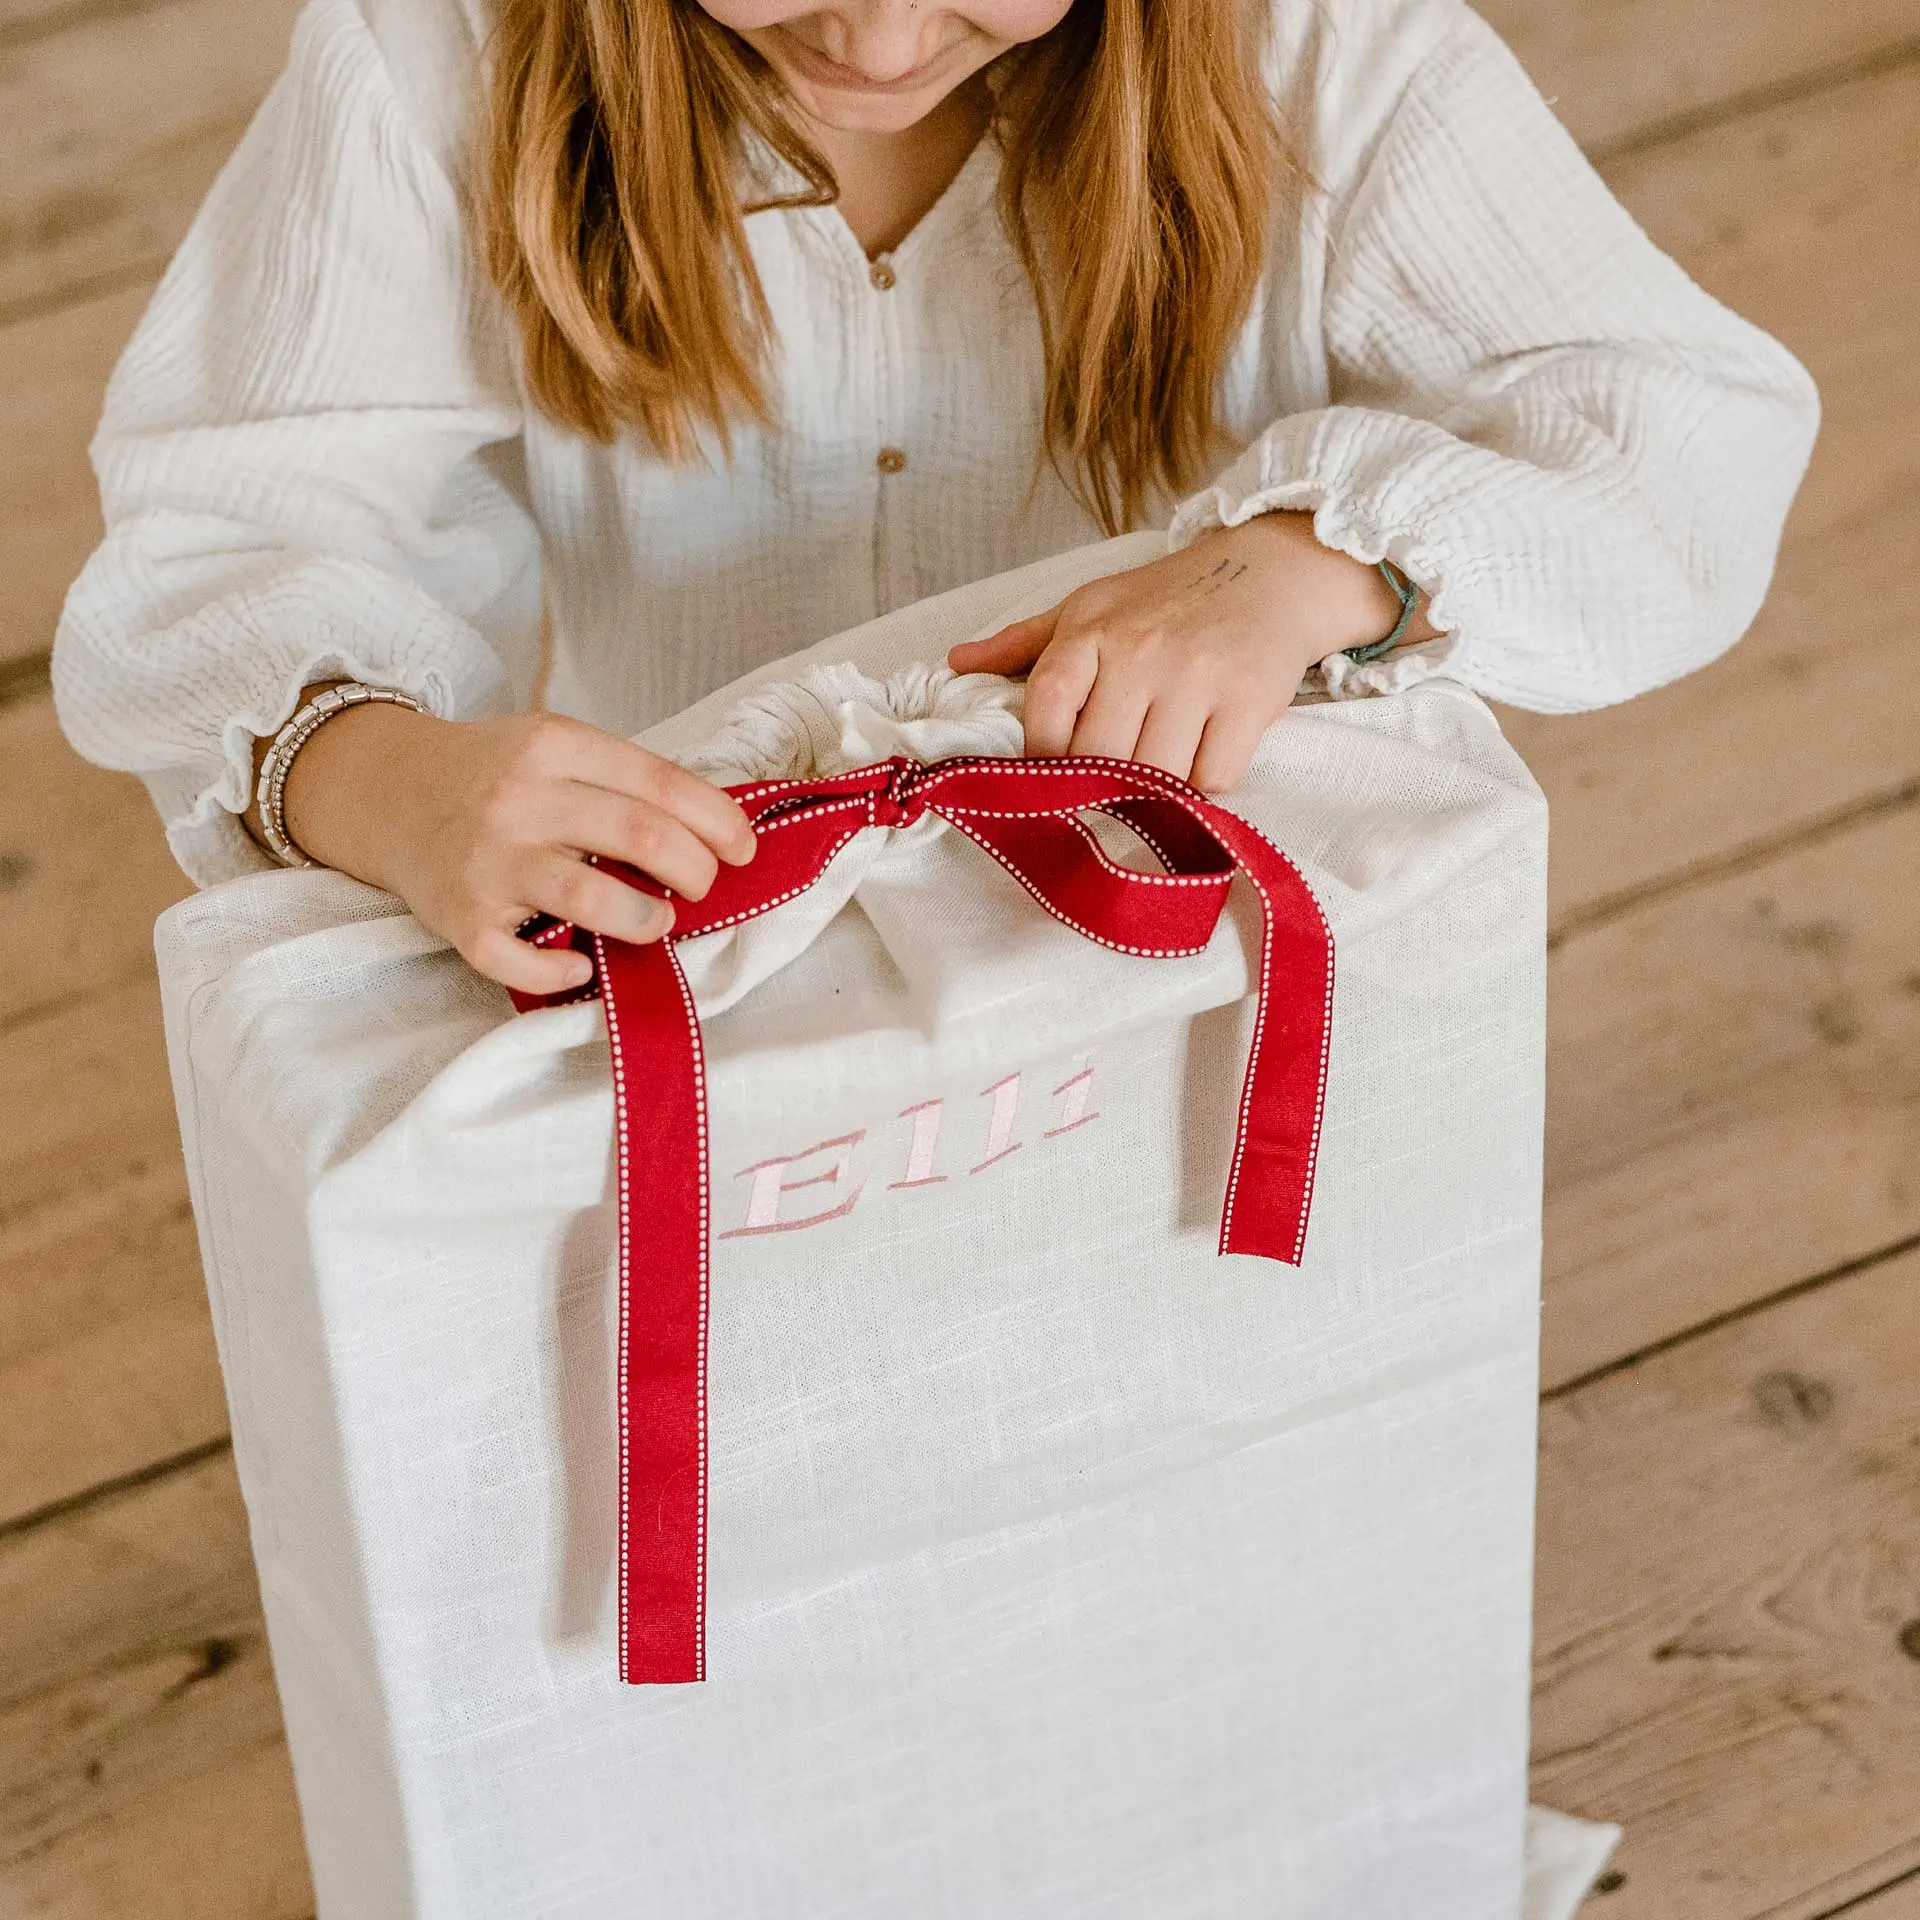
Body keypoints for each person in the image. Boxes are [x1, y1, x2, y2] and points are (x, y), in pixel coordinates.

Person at [53, 0, 1817, 998]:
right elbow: (244, 522)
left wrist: (1313, 560)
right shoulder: (435, 53)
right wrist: (385, 769)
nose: (884, 38)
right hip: (682, 930)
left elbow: (1682, 429)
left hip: (1184, 943)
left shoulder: (1326, 52)